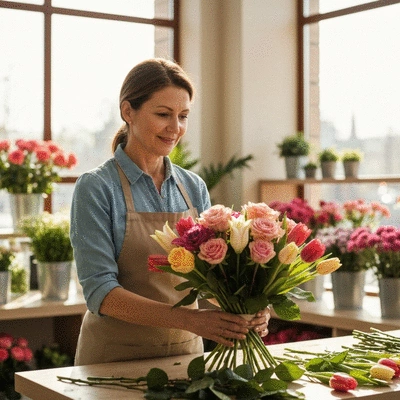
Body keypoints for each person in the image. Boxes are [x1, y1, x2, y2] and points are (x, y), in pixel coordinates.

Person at [70, 58, 270, 366]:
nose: (175, 128)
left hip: (186, 357)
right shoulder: (96, 188)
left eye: (183, 116)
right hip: (113, 359)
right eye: (163, 114)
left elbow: (212, 279)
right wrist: (191, 320)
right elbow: (100, 292)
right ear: (128, 112)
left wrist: (246, 308)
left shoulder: (193, 187)